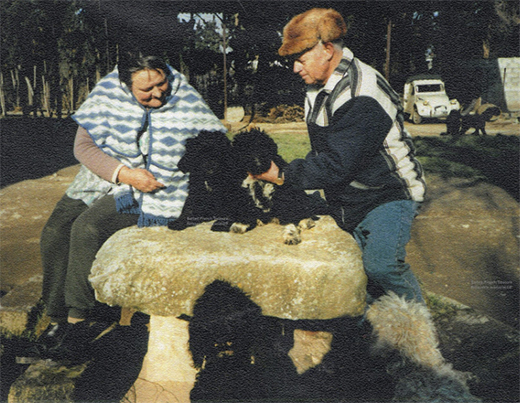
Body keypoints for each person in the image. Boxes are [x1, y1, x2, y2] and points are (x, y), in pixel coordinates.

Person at [19, 49, 226, 363]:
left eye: (161, 83)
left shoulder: (183, 95)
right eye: (147, 89)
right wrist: (122, 172)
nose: (158, 92)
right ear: (125, 86)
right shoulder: (107, 93)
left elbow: (216, 141)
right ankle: (56, 319)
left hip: (146, 189)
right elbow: (83, 146)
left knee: (86, 229)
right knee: (54, 232)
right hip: (102, 177)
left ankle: (79, 321)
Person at [254, 8, 426, 304]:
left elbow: (338, 163)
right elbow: (325, 150)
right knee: (355, 275)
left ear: (327, 49)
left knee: (382, 267)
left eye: (300, 59)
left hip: (387, 194)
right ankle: (373, 337)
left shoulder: (361, 91)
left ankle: (421, 338)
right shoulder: (317, 85)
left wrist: (282, 175)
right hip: (349, 195)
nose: (295, 68)